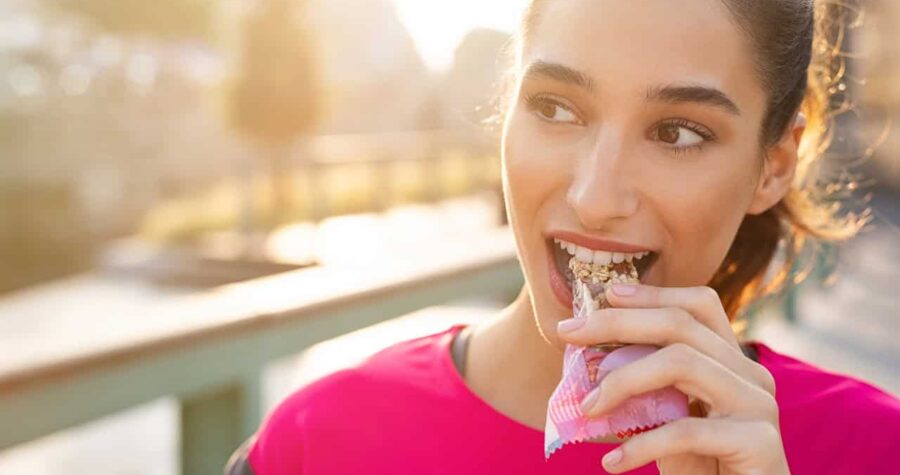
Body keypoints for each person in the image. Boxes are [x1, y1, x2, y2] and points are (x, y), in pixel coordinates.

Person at [226, 1, 900, 473]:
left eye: (678, 131)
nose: (594, 197)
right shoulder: (318, 444)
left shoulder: (873, 451)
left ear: (774, 164)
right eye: (556, 108)